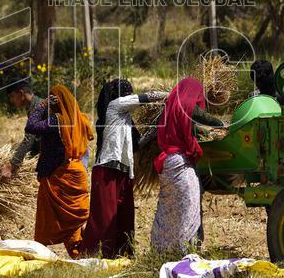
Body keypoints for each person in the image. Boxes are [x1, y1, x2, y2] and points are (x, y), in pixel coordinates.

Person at [80, 79, 167, 258]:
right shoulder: (114, 107)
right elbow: (146, 97)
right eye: (127, 92)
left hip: (124, 171)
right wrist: (172, 94)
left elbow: (137, 144)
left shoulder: (126, 119)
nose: (129, 96)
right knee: (104, 217)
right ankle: (95, 254)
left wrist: (156, 127)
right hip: (106, 170)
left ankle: (122, 254)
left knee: (124, 216)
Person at [149, 77, 226, 254]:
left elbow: (190, 126)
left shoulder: (170, 107)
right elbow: (203, 117)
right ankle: (186, 251)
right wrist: (223, 126)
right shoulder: (187, 105)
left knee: (168, 209)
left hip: (166, 163)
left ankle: (160, 250)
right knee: (189, 207)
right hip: (179, 163)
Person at [25, 84, 94, 259]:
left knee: (48, 216)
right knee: (73, 220)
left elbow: (31, 126)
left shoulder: (58, 121)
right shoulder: (81, 119)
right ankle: (79, 252)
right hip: (77, 172)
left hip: (59, 175)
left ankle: (39, 253)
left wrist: (42, 105)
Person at [1, 80, 42, 180]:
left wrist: (12, 165)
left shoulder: (37, 108)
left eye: (12, 96)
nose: (11, 100)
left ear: (21, 93)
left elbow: (29, 139)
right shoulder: (35, 105)